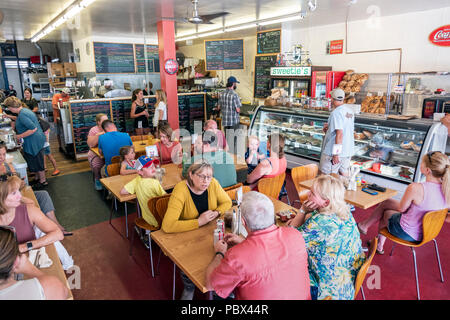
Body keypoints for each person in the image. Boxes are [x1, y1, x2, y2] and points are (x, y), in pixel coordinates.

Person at [206, 191, 311, 300]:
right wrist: (245, 242)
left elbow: (210, 285)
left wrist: (219, 253)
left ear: (243, 221)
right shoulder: (295, 235)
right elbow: (269, 256)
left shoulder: (236, 256)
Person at [287, 175, 365, 300]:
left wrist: (302, 210)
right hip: (348, 280)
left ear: (326, 202)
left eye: (312, 193)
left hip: (328, 290)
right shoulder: (345, 211)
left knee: (283, 270)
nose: (308, 194)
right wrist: (307, 216)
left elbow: (289, 239)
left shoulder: (319, 223)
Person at [162, 161, 232, 299]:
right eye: (201, 176)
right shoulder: (181, 189)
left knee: (219, 254)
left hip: (206, 235)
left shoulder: (213, 183)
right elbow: (168, 225)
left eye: (209, 176)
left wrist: (217, 212)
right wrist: (199, 222)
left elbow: (227, 202)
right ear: (191, 175)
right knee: (194, 263)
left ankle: (220, 287)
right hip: (185, 239)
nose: (206, 181)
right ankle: (189, 287)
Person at [358, 151, 450, 254]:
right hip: (429, 233)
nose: (420, 164)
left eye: (422, 163)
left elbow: (402, 209)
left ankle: (376, 241)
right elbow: (447, 218)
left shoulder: (416, 188)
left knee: (386, 212)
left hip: (407, 233)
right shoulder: (447, 190)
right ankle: (367, 230)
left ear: (427, 170)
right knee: (387, 202)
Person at [0, 142, 69, 236]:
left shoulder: (7, 166)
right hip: (6, 201)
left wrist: (19, 183)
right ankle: (44, 227)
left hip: (17, 193)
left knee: (43, 195)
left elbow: (18, 182)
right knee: (32, 204)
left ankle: (55, 224)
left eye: (3, 154)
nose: (2, 157)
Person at [0, 226, 68, 300]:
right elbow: (63, 291)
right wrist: (30, 269)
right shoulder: (43, 289)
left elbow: (58, 234)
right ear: (16, 262)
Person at [0, 175, 64, 252]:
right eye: (14, 193)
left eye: (18, 191)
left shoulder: (29, 210)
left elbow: (58, 234)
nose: (20, 196)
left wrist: (24, 247)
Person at [3, 97, 47, 189]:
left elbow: (33, 128)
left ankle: (43, 181)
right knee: (34, 159)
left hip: (34, 140)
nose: (9, 109)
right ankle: (37, 178)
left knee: (37, 159)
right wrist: (8, 116)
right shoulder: (23, 111)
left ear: (12, 107)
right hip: (34, 139)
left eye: (9, 107)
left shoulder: (22, 114)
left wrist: (18, 136)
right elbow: (18, 119)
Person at [120, 156, 166, 227]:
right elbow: (166, 199)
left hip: (147, 219)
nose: (152, 168)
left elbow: (123, 191)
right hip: (161, 219)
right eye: (148, 167)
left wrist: (138, 190)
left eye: (153, 165)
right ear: (140, 171)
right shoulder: (154, 183)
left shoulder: (137, 180)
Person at [319, 88, 354, 177]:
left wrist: (336, 153)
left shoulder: (336, 113)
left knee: (325, 177)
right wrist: (330, 127)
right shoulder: (349, 111)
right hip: (347, 151)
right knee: (343, 176)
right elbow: (345, 129)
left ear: (332, 99)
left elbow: (340, 133)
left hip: (334, 153)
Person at [218, 76, 241, 151]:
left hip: (225, 121)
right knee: (233, 141)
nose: (236, 85)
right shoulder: (235, 94)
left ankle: (227, 154)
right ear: (233, 84)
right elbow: (238, 109)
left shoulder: (222, 94)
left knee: (227, 139)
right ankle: (232, 157)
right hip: (233, 121)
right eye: (235, 84)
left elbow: (219, 107)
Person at [87, 113, 108, 190]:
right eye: (104, 120)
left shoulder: (109, 127)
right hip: (95, 152)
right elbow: (91, 145)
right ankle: (97, 179)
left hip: (107, 151)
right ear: (98, 122)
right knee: (96, 165)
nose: (107, 121)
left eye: (107, 119)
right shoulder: (93, 130)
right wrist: (98, 135)